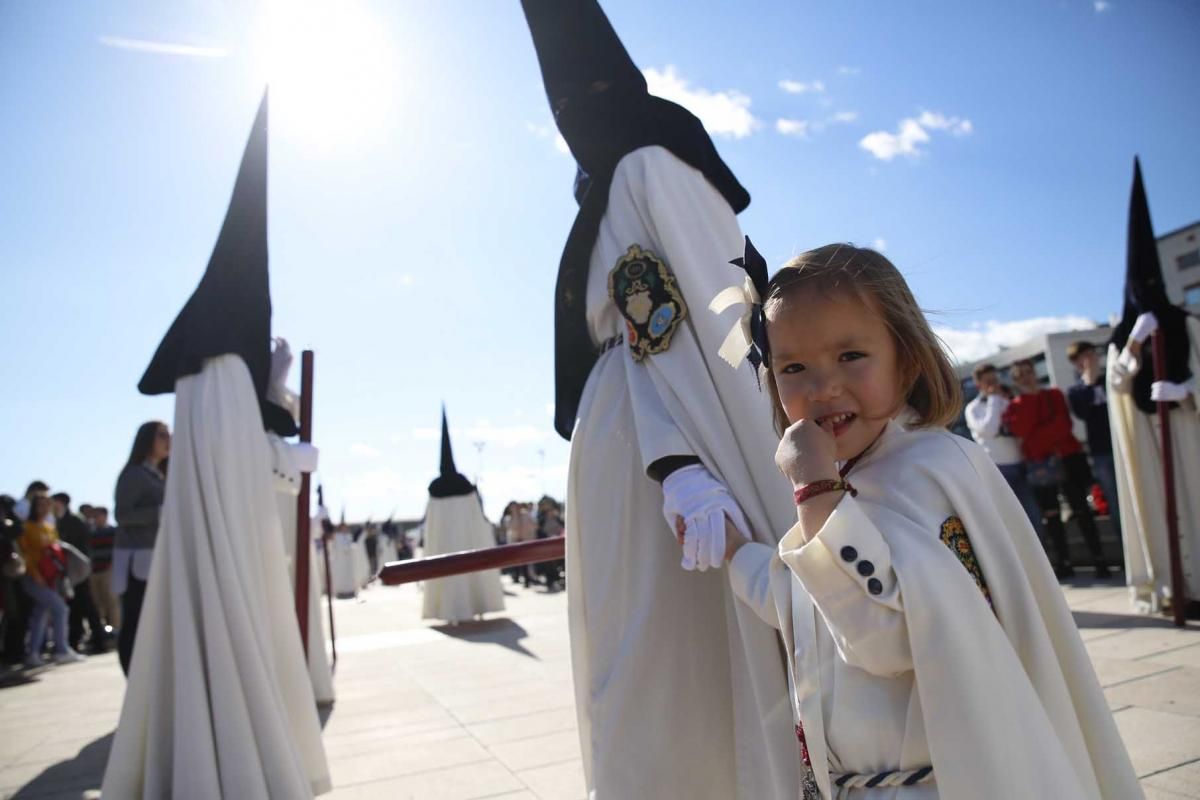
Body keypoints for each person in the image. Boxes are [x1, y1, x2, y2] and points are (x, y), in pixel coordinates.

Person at [722, 242, 1141, 799]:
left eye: (850, 356)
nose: (823, 387)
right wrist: (734, 554)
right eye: (793, 367)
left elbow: (886, 639)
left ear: (907, 358)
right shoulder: (857, 477)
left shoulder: (927, 470)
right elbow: (802, 599)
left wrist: (817, 492)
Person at [520, 2, 796, 796]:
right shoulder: (618, 177)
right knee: (653, 654)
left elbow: (706, 321)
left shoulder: (642, 162)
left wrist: (703, 457)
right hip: (644, 435)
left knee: (666, 659)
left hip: (662, 430)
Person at [102, 94, 330, 798]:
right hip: (231, 536)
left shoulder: (203, 378)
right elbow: (250, 462)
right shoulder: (226, 373)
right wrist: (286, 443)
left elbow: (242, 452)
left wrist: (275, 408)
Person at [1106, 158, 1200, 615]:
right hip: (1145, 432)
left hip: (1186, 427)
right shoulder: (1124, 332)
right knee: (1157, 511)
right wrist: (1134, 346)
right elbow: (1117, 384)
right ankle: (1170, 586)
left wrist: (1188, 392)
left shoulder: (1185, 323)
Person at [1004, 359, 1110, 578]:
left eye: (1028, 371)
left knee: (1081, 510)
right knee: (1051, 515)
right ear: (1015, 380)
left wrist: (1039, 434)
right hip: (1039, 464)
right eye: (1020, 374)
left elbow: (1064, 425)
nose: (1026, 377)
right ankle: (1064, 562)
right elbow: (1024, 432)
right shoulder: (1015, 406)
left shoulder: (1054, 395)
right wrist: (1042, 430)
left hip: (1067, 458)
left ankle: (1099, 559)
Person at [420, 408, 505, 624]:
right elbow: (477, 521)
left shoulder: (436, 488)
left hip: (445, 546)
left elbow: (431, 528)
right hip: (466, 543)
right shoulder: (462, 486)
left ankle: (453, 611)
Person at [113, 420, 169, 674]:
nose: (168, 440)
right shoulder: (135, 474)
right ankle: (131, 675)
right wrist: (159, 512)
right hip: (136, 560)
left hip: (152, 557)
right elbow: (123, 515)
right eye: (162, 435)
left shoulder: (158, 474)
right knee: (134, 622)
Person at [964, 363, 1043, 533]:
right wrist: (993, 399)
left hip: (1021, 464)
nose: (993, 384)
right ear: (979, 385)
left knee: (1033, 515)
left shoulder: (1009, 400)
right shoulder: (973, 408)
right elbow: (990, 429)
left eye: (995, 379)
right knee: (1008, 519)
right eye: (988, 381)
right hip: (996, 468)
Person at [18, 494, 85, 667]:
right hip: (34, 577)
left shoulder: (49, 527)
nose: (44, 508)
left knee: (41, 613)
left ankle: (33, 652)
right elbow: (26, 555)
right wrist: (35, 574)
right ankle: (61, 650)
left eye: (47, 504)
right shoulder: (27, 527)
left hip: (51, 577)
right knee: (60, 609)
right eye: (40, 504)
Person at [1065, 341, 1123, 538]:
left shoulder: (1113, 378)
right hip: (1102, 451)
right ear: (1076, 362)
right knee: (1115, 501)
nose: (1090, 359)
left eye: (1092, 354)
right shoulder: (1075, 390)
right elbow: (1082, 413)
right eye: (1084, 356)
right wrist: (1089, 382)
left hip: (1124, 445)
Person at [52, 492, 105, 653]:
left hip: (78, 569)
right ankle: (75, 641)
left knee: (85, 605)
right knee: (77, 605)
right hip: (71, 571)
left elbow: (75, 546)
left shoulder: (73, 521)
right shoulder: (63, 520)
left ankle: (96, 640)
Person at [88, 506, 119, 636]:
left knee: (111, 601)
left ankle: (116, 629)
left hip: (108, 570)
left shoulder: (113, 531)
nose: (95, 519)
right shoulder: (91, 533)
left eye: (98, 516)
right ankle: (102, 631)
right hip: (94, 571)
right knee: (97, 602)